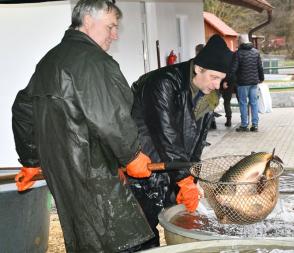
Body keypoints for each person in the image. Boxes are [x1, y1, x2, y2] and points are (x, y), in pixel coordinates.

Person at [11, 1, 155, 252]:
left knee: (81, 238)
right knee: (120, 240)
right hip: (95, 172)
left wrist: (31, 160)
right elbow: (109, 117)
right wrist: (131, 155)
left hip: (63, 173)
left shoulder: (49, 60)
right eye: (111, 27)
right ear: (88, 21)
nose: (115, 34)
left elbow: (22, 110)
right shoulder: (95, 62)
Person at [128, 34, 233, 247]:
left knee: (176, 221)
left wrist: (191, 177)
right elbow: (166, 134)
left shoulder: (210, 96)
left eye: (221, 79)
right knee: (142, 234)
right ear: (198, 69)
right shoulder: (162, 83)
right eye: (214, 77)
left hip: (172, 165)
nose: (217, 84)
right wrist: (184, 179)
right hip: (143, 164)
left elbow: (197, 140)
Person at [231, 34, 265, 132]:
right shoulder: (256, 52)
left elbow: (233, 69)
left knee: (243, 103)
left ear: (240, 42)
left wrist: (233, 81)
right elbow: (260, 67)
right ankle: (255, 125)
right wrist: (261, 78)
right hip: (254, 82)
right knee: (254, 103)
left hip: (242, 83)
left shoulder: (238, 54)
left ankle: (244, 125)